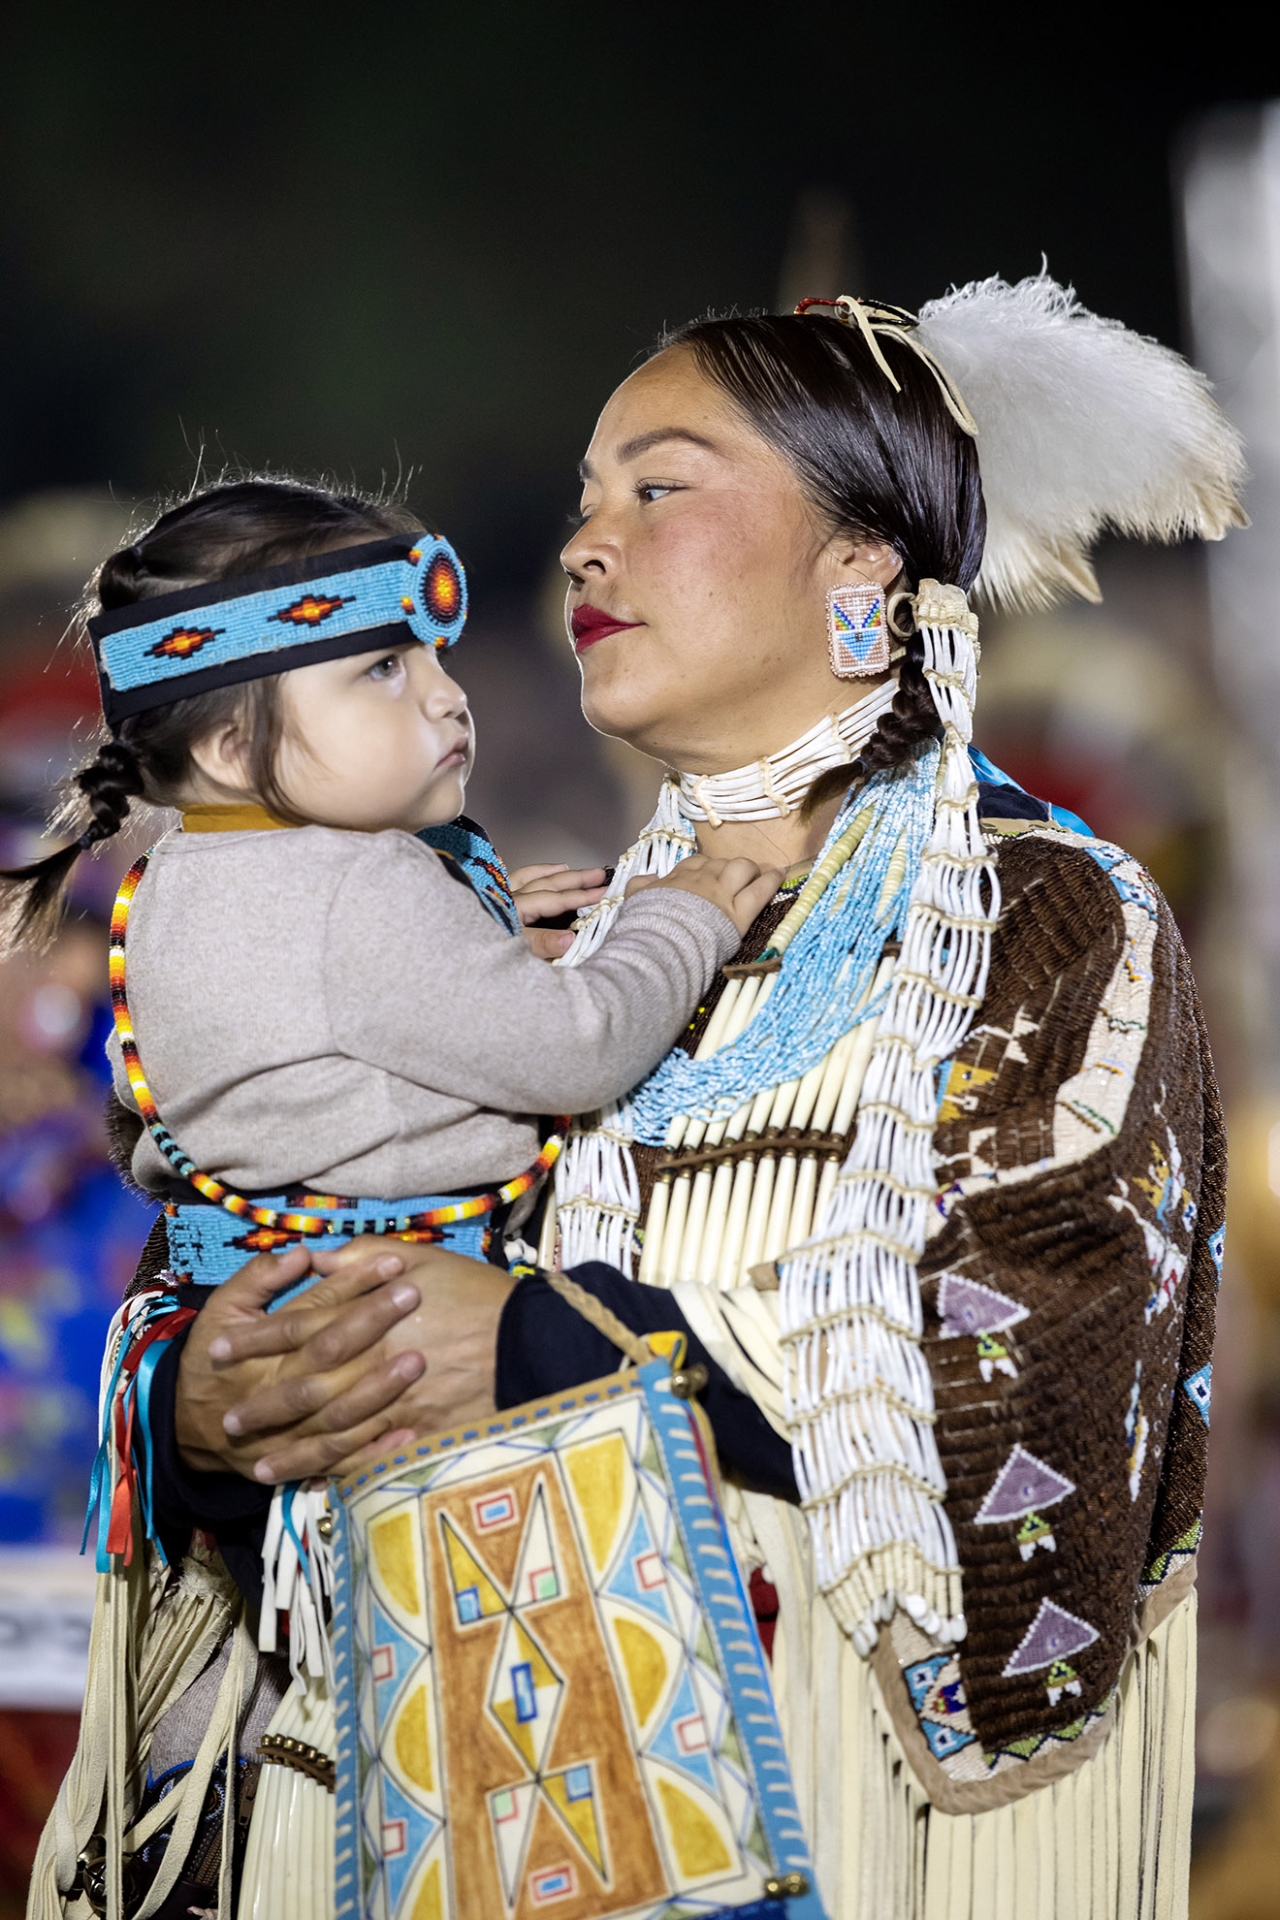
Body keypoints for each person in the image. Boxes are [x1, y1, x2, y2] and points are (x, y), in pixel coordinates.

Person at [36, 276, 1243, 1920]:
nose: (585, 546)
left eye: (657, 488)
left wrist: (539, 1347)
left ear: (860, 566)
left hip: (820, 1818)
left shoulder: (1037, 920)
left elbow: (1032, 1376)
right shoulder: (575, 928)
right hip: (399, 1804)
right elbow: (307, 1219)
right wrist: (209, 1404)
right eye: (583, 501)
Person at [12, 477, 780, 1919]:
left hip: (265, 1353)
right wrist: (695, 911)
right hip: (410, 1392)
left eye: (433, 656)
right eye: (381, 667)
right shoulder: (353, 890)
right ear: (234, 733)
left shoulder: (180, 878)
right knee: (484, 1796)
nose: (447, 699)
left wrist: (493, 933)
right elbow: (576, 1048)